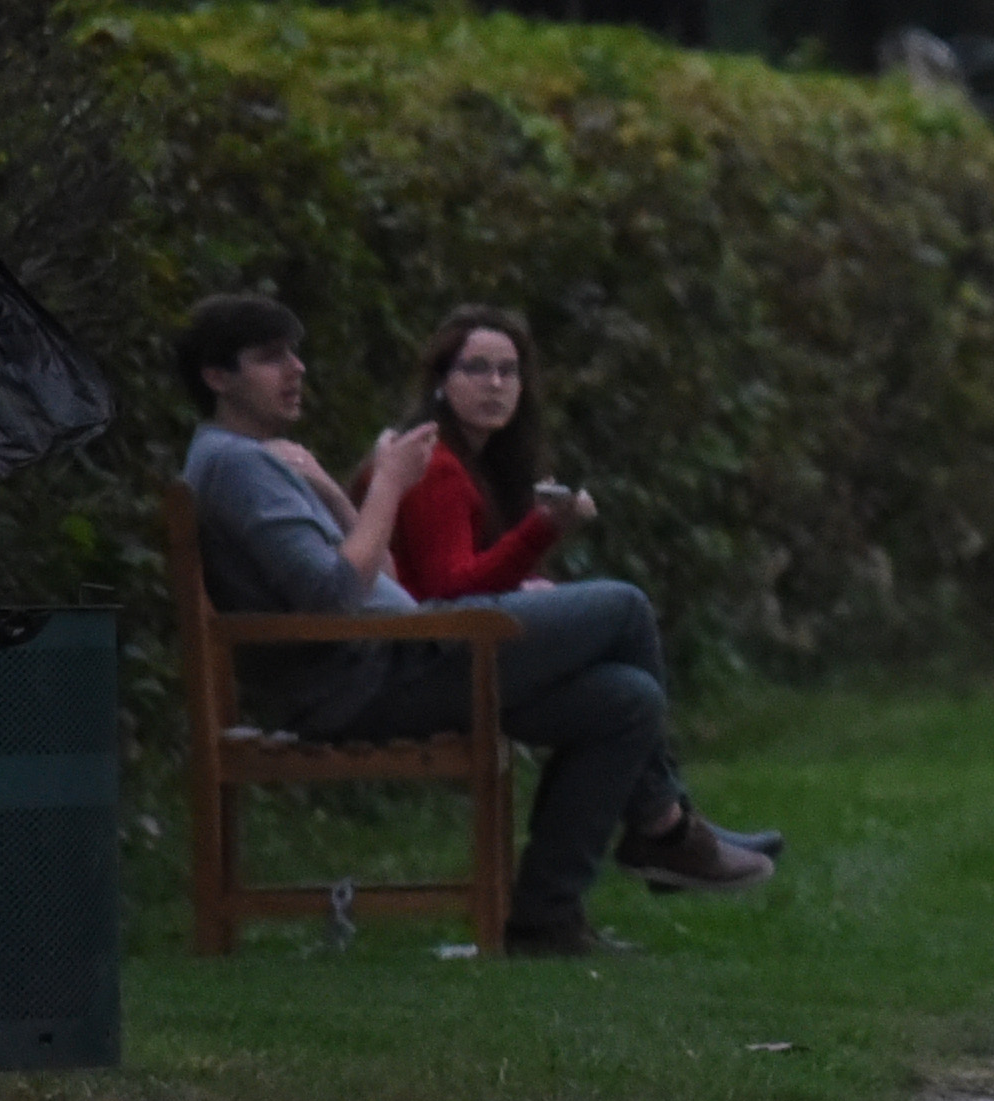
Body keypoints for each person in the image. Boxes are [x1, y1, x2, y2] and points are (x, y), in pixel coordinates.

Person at [171, 289, 770, 956]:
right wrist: (390, 484)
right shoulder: (237, 466)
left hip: (388, 659)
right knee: (623, 607)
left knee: (624, 701)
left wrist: (330, 488)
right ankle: (664, 827)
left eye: (294, 353)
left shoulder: (259, 460)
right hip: (362, 679)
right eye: (269, 358)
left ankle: (546, 921)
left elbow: (379, 580)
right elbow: (336, 596)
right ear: (216, 377)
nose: (296, 369)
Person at [389, 304, 586, 602]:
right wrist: (542, 527)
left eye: (507, 371)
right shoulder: (434, 462)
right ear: (442, 381)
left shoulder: (491, 464)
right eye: (476, 368)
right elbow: (450, 588)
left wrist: (527, 581)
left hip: (467, 633)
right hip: (421, 640)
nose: (495, 384)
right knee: (625, 605)